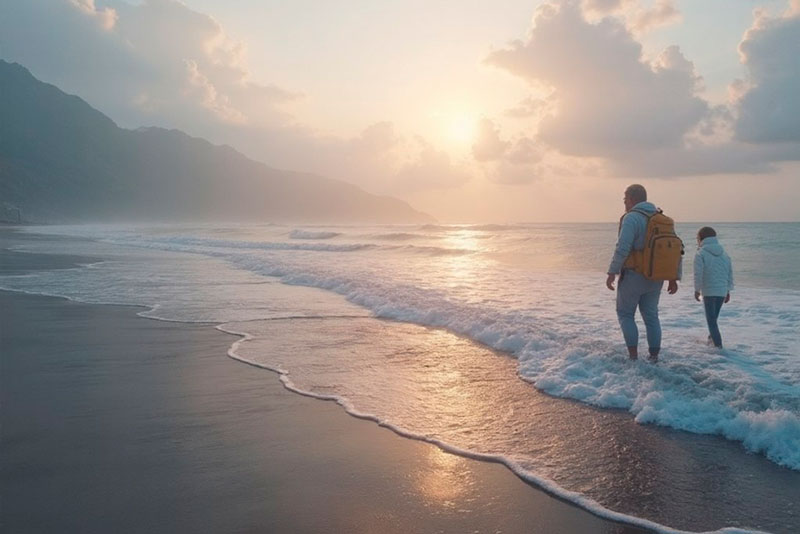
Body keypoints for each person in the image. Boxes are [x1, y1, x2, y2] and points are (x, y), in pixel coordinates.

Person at [605, 184, 679, 362]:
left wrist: (612, 272)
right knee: (651, 316)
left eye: (624, 199)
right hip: (656, 277)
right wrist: (673, 277)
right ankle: (654, 357)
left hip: (633, 275)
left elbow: (622, 248)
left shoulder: (632, 218)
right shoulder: (662, 218)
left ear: (631, 198)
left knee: (625, 314)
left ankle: (633, 357)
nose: (624, 203)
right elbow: (675, 250)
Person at [693, 226, 734, 348]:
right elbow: (729, 273)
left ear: (700, 239)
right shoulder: (724, 254)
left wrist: (696, 289)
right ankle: (711, 341)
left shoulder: (701, 254)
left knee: (711, 322)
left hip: (709, 291)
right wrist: (728, 290)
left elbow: (698, 274)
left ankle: (719, 348)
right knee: (713, 320)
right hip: (721, 291)